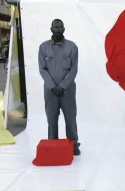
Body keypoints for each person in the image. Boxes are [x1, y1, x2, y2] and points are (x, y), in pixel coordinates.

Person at [38, 19, 80, 155]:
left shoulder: (72, 47)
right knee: (51, 118)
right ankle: (53, 143)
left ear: (64, 29)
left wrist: (62, 86)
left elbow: (74, 69)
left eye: (60, 28)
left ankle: (73, 144)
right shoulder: (43, 47)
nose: (58, 30)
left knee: (70, 117)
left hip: (67, 90)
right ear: (51, 29)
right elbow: (42, 69)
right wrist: (52, 86)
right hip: (50, 92)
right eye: (55, 28)